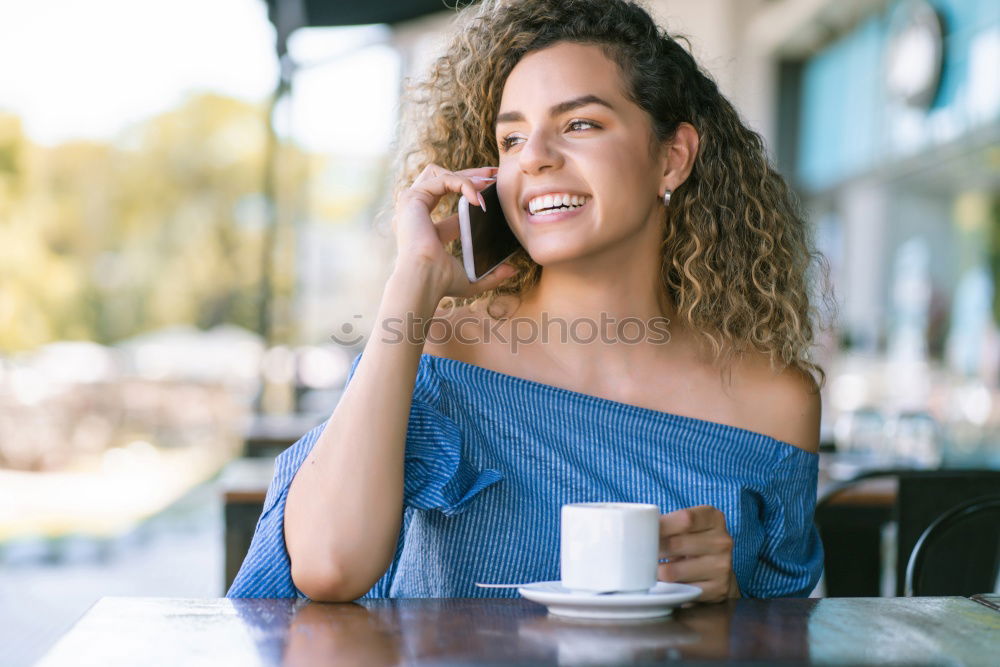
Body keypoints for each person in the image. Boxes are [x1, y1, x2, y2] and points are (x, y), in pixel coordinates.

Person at [228, 0, 833, 603]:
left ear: (672, 157)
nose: (535, 156)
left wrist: (729, 597)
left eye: (580, 124)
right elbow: (328, 567)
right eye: (511, 138)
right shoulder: (441, 353)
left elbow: (781, 626)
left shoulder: (776, 402)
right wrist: (412, 283)